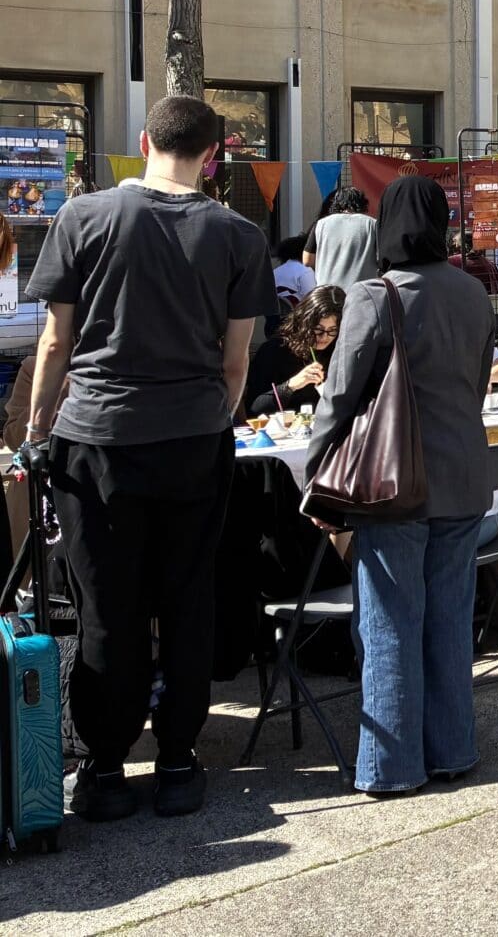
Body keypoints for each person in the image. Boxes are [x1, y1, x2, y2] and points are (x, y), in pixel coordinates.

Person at [20, 96, 271, 822]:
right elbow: (235, 364)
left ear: (142, 142)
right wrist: (210, 422)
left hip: (95, 438)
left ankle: (103, 765)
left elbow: (54, 344)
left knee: (107, 606)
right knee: (187, 597)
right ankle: (179, 759)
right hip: (193, 437)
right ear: (212, 157)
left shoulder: (83, 216)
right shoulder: (237, 234)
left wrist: (38, 430)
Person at [305, 175, 496, 796]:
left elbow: (339, 394)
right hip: (464, 474)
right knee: (448, 619)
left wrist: (315, 469)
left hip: (393, 482)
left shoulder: (374, 294)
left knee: (389, 624)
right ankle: (453, 749)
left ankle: (391, 768)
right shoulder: (473, 292)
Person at [244, 285, 344, 417]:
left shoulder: (340, 352)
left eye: (332, 330)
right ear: (304, 323)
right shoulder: (275, 350)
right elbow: (255, 408)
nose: (324, 337)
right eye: (318, 329)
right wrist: (291, 385)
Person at [309, 186, 379, 291]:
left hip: (326, 295)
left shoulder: (321, 224)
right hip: (362, 294)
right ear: (363, 204)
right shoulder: (372, 224)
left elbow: (307, 259)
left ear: (336, 203)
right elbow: (381, 259)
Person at [273, 234, 315, 309]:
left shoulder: (274, 272)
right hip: (298, 318)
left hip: (275, 319)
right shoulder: (305, 271)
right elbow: (312, 301)